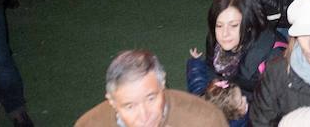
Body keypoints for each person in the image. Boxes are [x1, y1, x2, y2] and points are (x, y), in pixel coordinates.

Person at [75, 49, 227, 127]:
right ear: (112, 101)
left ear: (162, 85)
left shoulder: (205, 119)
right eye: (129, 106)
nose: (144, 116)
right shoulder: (88, 124)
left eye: (151, 98)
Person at [186, 0, 285, 106]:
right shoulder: (214, 40)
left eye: (233, 25)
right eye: (219, 25)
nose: (224, 34)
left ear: (249, 25)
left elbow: (278, 103)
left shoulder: (273, 58)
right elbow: (211, 69)